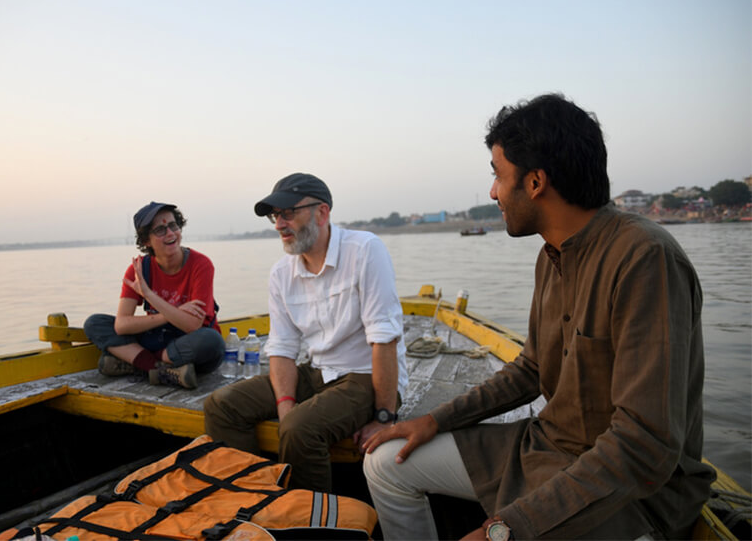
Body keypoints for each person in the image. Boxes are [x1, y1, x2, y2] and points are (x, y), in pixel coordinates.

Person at [362, 94, 716, 540]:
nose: (493, 191)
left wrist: (506, 529)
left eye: (497, 174)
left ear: (534, 182)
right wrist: (436, 420)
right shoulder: (550, 256)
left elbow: (644, 444)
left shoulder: (644, 258)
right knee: (385, 462)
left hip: (634, 494)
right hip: (545, 448)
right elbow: (530, 370)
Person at [203, 173, 407, 492]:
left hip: (366, 375)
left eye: (288, 213)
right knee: (222, 404)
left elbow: (384, 339)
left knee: (300, 429)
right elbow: (282, 347)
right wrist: (285, 405)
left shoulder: (365, 250)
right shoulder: (282, 273)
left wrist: (384, 416)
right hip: (316, 374)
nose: (279, 225)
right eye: (275, 216)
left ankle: (308, 521)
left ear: (322, 213)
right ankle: (252, 496)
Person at [84, 201, 224, 389]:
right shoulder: (140, 270)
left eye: (173, 226)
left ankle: (138, 364)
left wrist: (149, 295)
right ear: (146, 241)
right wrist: (172, 314)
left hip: (188, 342)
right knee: (95, 323)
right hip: (157, 338)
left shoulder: (201, 265)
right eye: (160, 230)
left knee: (212, 341)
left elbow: (192, 324)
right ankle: (159, 370)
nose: (170, 233)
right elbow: (121, 325)